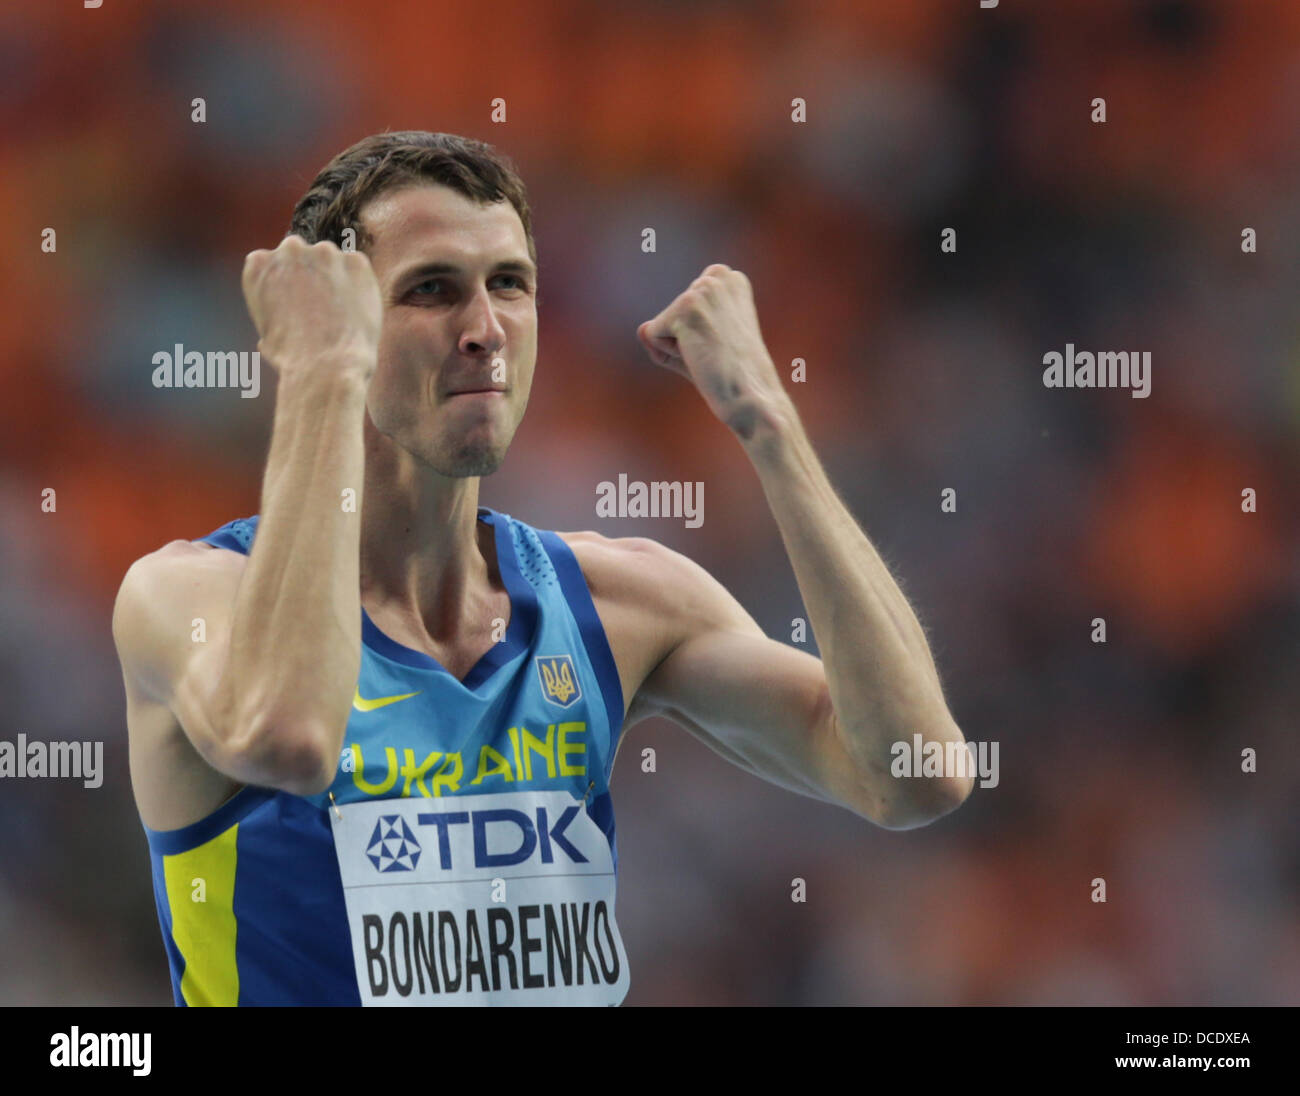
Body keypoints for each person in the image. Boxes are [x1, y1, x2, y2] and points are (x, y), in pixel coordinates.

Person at [111, 131, 972, 1007]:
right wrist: (321, 375)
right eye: (432, 289)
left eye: (510, 285)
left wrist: (770, 425)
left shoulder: (616, 602)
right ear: (344, 323)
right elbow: (289, 738)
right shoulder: (186, 597)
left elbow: (914, 774)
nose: (486, 330)